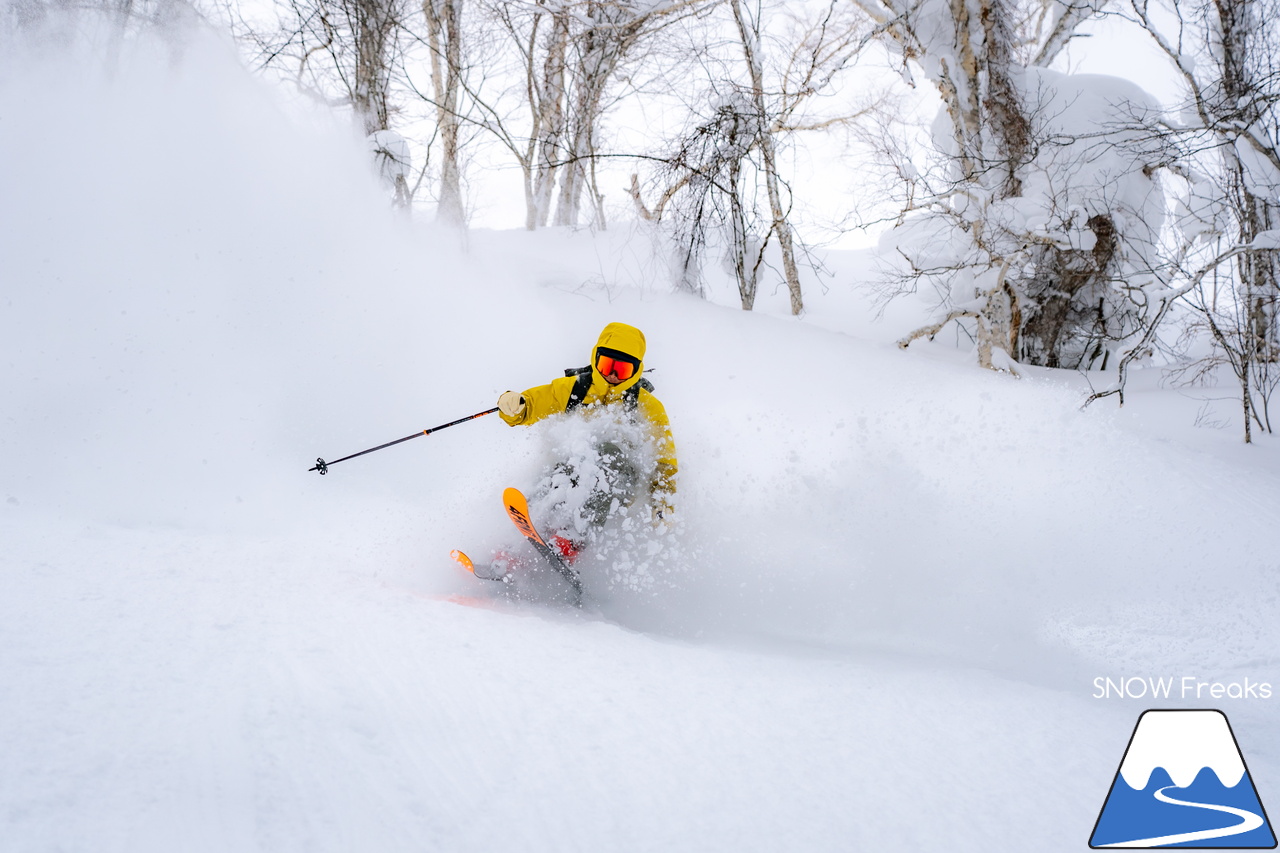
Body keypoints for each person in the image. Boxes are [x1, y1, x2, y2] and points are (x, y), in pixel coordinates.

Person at [496, 322, 677, 564]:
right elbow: (534, 403)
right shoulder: (575, 388)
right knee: (560, 472)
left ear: (635, 371)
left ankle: (571, 540)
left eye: (621, 370)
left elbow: (664, 459)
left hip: (621, 479)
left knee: (609, 455)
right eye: (606, 365)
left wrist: (662, 502)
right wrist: (515, 405)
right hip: (577, 464)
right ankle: (515, 547)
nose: (612, 375)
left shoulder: (647, 406)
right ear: (596, 359)